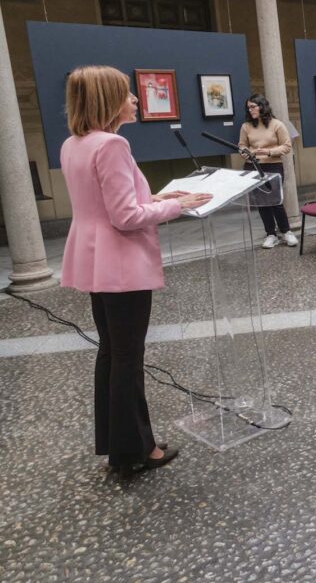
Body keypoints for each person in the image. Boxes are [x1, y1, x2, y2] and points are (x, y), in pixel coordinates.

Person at [60, 66, 211, 477]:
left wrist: (159, 196)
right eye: (127, 93)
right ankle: (137, 451)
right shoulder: (112, 144)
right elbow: (125, 217)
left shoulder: (75, 143)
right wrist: (177, 206)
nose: (134, 100)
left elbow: (106, 201)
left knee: (112, 352)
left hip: (95, 259)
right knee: (127, 358)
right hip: (120, 263)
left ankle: (120, 444)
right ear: (108, 100)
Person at [238, 94, 297, 249]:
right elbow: (242, 146)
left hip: (273, 165)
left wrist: (269, 152)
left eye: (253, 106)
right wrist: (247, 153)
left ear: (262, 106)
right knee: (261, 203)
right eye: (248, 107)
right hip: (252, 166)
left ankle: (286, 232)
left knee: (276, 201)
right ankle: (271, 234)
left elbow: (287, 146)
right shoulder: (246, 126)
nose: (250, 110)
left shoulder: (277, 125)